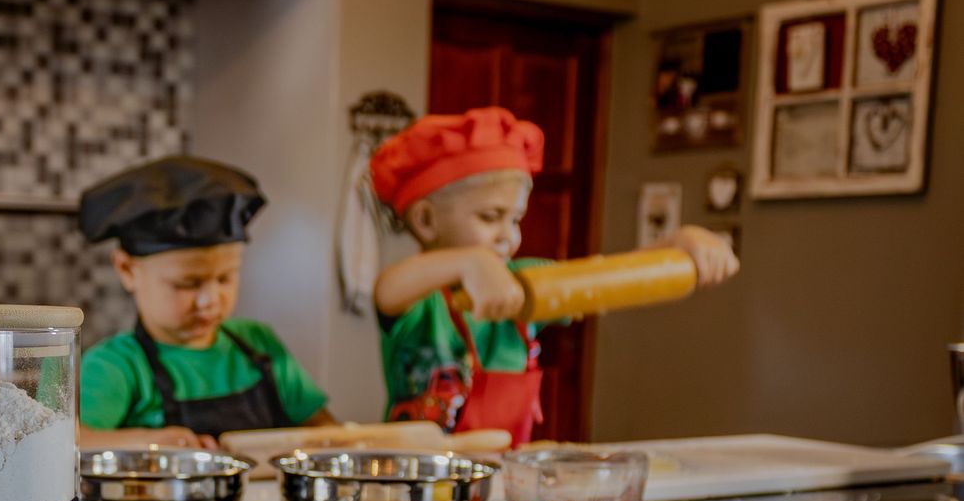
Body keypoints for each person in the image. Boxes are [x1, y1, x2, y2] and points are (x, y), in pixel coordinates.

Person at [369, 107, 739, 444]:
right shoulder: (418, 298)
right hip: (420, 492)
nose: (507, 235)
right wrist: (468, 264)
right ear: (426, 220)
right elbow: (388, 289)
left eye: (514, 219)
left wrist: (680, 242)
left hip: (501, 485)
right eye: (489, 217)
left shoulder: (526, 280)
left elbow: (607, 277)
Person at [78, 156, 334, 449]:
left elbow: (326, 431)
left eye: (226, 278)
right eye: (187, 284)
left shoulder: (259, 345)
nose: (211, 301)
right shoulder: (116, 365)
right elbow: (72, 443)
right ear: (127, 270)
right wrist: (151, 443)